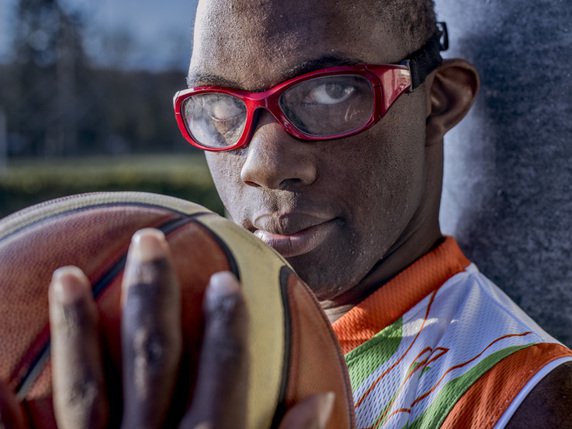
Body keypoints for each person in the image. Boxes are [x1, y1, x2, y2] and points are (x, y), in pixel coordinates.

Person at [41, 0, 572, 428]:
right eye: (220, 104)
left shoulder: (515, 399)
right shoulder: (158, 341)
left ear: (439, 101)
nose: (261, 165)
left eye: (331, 90)